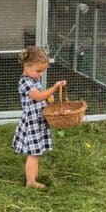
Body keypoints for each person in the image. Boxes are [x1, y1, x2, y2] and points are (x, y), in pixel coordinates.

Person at [12, 46, 66, 188]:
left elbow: (41, 97)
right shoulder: (25, 82)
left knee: (36, 152)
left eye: (43, 71)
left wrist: (48, 99)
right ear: (27, 66)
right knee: (33, 153)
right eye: (38, 71)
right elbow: (37, 96)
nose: (41, 74)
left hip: (38, 120)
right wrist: (53, 89)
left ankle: (33, 178)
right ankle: (31, 181)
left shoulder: (34, 80)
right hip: (32, 122)